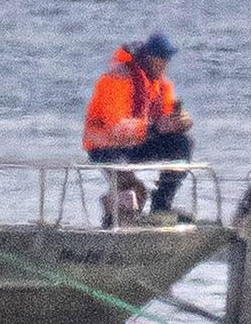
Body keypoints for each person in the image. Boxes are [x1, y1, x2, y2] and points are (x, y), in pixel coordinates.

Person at [83, 33, 194, 215]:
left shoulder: (161, 85)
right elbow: (115, 127)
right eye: (161, 58)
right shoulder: (116, 80)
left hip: (137, 142)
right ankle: (112, 221)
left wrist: (181, 122)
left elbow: (166, 117)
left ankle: (161, 207)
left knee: (183, 143)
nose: (165, 63)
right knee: (133, 191)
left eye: (167, 58)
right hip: (105, 145)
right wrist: (154, 127)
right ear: (149, 58)